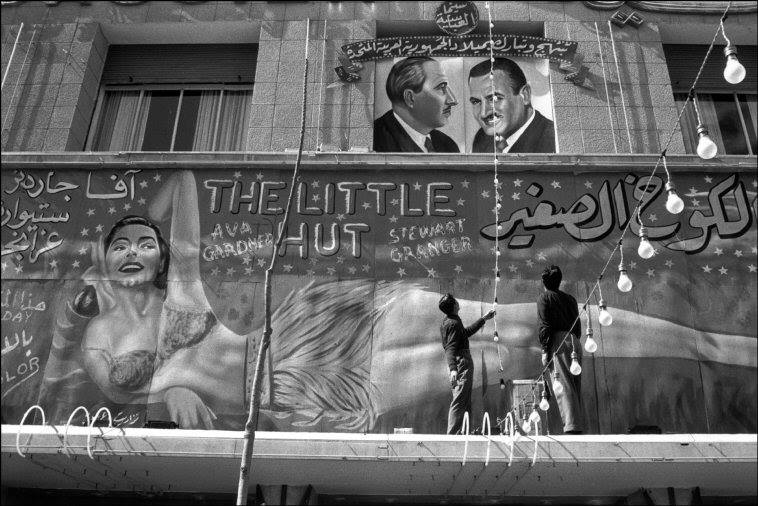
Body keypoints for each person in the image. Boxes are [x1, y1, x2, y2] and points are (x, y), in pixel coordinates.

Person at [468, 57, 555, 154]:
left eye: (494, 99)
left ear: (525, 95)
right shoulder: (482, 138)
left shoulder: (552, 139)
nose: (483, 113)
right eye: (476, 102)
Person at [374, 56, 460, 153]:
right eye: (441, 87)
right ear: (410, 98)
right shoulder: (375, 142)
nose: (453, 100)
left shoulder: (448, 145)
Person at [438, 293, 495, 435]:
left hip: (460, 362)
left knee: (464, 399)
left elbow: (465, 333)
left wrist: (484, 319)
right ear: (454, 305)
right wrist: (453, 369)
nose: (457, 302)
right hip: (460, 362)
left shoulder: (451, 321)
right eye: (455, 301)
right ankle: (452, 435)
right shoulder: (452, 323)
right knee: (459, 399)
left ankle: (463, 432)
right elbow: (450, 348)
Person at [537, 265, 584, 434]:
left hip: (559, 342)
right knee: (574, 384)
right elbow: (577, 325)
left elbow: (545, 326)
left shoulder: (544, 298)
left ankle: (572, 427)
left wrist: (545, 349)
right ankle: (577, 425)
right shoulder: (570, 299)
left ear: (543, 281)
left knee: (562, 384)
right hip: (574, 341)